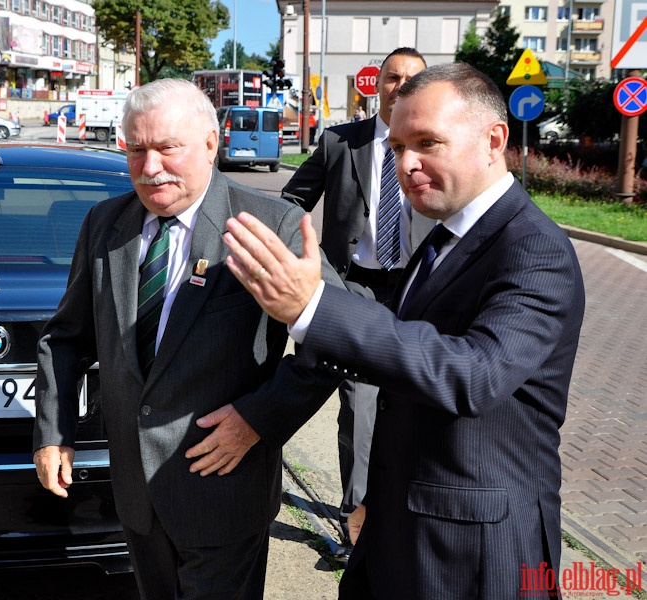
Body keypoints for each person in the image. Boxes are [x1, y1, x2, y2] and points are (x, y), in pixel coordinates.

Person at [220, 63, 585, 598]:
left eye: (428, 143)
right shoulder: (445, 238)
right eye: (395, 147)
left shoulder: (535, 250)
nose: (406, 164)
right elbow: (397, 358)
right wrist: (377, 498)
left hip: (474, 556)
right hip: (399, 528)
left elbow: (470, 375)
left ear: (494, 141)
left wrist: (315, 306)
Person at [32, 78, 342, 600]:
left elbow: (334, 340)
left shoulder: (272, 224)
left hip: (223, 490)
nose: (150, 167)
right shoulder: (105, 224)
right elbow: (66, 338)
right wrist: (52, 431)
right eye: (136, 149)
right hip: (137, 496)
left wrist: (258, 420)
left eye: (167, 148)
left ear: (210, 143)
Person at [281, 46, 433, 559]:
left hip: (415, 290)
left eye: (413, 78)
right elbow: (289, 203)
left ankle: (401, 510)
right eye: (393, 77)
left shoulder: (433, 147)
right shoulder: (339, 143)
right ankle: (358, 524)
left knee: (413, 403)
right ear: (378, 84)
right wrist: (317, 272)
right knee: (361, 405)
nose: (401, 85)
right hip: (355, 287)